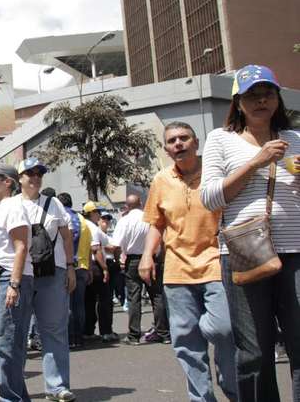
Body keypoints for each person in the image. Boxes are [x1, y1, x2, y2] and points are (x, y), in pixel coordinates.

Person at [200, 65, 300, 402]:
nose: (261, 101)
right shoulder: (220, 139)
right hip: (245, 251)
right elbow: (210, 197)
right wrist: (255, 163)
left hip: (296, 251)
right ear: (238, 102)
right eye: (252, 95)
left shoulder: (296, 139)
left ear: (277, 99)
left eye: (267, 93)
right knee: (254, 350)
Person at [139, 121, 237, 401]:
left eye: (184, 138)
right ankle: (201, 397)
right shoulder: (161, 180)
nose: (178, 144)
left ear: (196, 142)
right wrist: (147, 255)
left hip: (216, 264)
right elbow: (156, 223)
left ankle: (233, 388)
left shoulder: (216, 172)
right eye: (172, 141)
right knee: (186, 342)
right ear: (166, 149)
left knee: (223, 329)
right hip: (176, 271)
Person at [16, 157, 77, 402]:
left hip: (54, 273)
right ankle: (12, 386)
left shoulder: (54, 204)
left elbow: (66, 237)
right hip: (21, 275)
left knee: (54, 330)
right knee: (16, 333)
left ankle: (57, 387)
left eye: (39, 173)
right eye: (30, 173)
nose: (35, 177)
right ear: (19, 178)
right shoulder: (10, 205)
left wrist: (71, 267)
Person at [0, 163, 33, 401]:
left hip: (8, 276)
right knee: (0, 343)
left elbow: (21, 246)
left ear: (7, 182)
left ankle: (9, 398)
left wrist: (14, 284)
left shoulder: (13, 205)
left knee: (7, 344)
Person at [110, 194, 170, 345]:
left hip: (133, 260)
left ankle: (134, 335)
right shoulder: (150, 218)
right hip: (151, 258)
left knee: (133, 297)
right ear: (141, 203)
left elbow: (115, 245)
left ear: (127, 206)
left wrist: (118, 259)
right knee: (156, 296)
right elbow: (162, 240)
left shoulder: (124, 221)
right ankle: (163, 333)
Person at [82, 202, 118, 343]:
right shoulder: (92, 227)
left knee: (88, 301)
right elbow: (96, 250)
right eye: (97, 212)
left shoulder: (81, 223)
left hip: (83, 265)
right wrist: (104, 268)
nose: (99, 215)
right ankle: (106, 332)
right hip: (96, 266)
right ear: (92, 213)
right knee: (104, 300)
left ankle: (88, 330)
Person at [60, 193, 92, 349]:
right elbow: (91, 247)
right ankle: (79, 336)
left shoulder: (62, 217)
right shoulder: (83, 221)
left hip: (68, 266)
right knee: (79, 305)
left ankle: (70, 337)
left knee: (67, 305)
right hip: (83, 266)